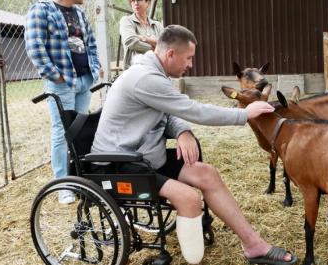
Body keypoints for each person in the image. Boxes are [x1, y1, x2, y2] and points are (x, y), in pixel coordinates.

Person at [90, 25, 297, 265]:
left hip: (144, 154)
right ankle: (194, 260)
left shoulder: (153, 72)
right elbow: (193, 110)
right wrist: (244, 114)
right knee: (189, 199)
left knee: (207, 174)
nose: (190, 64)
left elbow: (170, 113)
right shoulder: (145, 78)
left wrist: (183, 131)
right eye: (188, 58)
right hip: (119, 163)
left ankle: (254, 245)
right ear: (170, 55)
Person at [25, 0, 102, 204]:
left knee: (80, 128)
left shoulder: (79, 12)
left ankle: (81, 177)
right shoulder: (42, 10)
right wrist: (54, 75)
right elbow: (34, 46)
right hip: (62, 83)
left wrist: (95, 68)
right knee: (62, 132)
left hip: (84, 80)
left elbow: (91, 43)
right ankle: (63, 186)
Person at [119, 0, 164, 68]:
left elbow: (165, 45)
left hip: (156, 69)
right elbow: (131, 41)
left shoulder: (157, 25)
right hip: (135, 71)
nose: (135, 3)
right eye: (133, 1)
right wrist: (155, 47)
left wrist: (145, 39)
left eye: (139, 0)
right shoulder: (127, 21)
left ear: (148, 3)